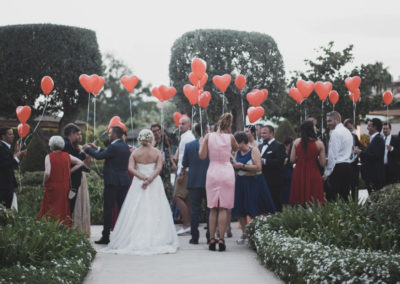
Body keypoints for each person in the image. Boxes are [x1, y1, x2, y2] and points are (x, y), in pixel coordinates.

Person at [102, 129, 179, 255]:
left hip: (138, 182)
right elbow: (159, 168)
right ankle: (156, 236)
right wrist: (150, 179)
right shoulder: (157, 152)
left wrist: (142, 177)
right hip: (154, 183)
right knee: (155, 209)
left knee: (136, 209)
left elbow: (130, 168)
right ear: (151, 138)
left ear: (140, 139)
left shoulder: (135, 153)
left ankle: (133, 236)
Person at [84, 126, 131, 244]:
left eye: (110, 133)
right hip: (123, 181)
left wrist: (87, 149)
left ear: (115, 134)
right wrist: (97, 148)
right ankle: (126, 234)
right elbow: (108, 153)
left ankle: (105, 237)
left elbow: (100, 156)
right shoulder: (124, 146)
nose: (108, 135)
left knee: (108, 210)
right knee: (123, 209)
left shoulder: (114, 146)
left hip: (112, 182)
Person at [199, 113, 239, 251]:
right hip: (227, 172)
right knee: (223, 208)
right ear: (229, 125)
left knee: (213, 207)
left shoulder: (208, 136)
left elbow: (202, 156)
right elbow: (236, 149)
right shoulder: (231, 137)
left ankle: (211, 240)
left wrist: (202, 144)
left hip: (213, 172)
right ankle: (221, 240)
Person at [232, 131, 275, 244]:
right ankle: (245, 233)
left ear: (242, 142)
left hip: (254, 182)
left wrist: (242, 166)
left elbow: (258, 167)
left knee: (255, 207)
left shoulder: (254, 150)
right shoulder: (237, 152)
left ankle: (258, 233)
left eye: (236, 142)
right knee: (240, 209)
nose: (234, 145)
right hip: (241, 182)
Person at [39, 136, 84, 227]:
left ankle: (49, 227)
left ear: (51, 146)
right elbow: (80, 163)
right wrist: (69, 171)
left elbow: (47, 173)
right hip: (64, 186)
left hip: (52, 186)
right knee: (63, 208)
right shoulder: (67, 155)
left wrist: (44, 183)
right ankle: (63, 227)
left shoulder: (49, 157)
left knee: (50, 208)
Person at [182, 123, 210, 245]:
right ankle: (210, 236)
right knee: (210, 209)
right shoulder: (210, 145)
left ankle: (195, 237)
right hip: (209, 180)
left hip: (193, 181)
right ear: (205, 131)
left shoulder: (189, 146)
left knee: (194, 210)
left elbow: (185, 164)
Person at [63, 123, 91, 235]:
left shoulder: (71, 145)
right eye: (77, 134)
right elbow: (72, 161)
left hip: (77, 178)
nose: (80, 136)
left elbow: (85, 164)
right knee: (71, 206)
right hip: (71, 180)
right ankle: (70, 230)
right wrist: (83, 153)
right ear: (71, 134)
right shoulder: (66, 145)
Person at [289, 121, 326, 205]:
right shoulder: (319, 144)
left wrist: (301, 157)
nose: (316, 128)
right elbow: (322, 163)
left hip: (299, 172)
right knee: (314, 199)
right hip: (313, 172)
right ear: (311, 129)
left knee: (298, 199)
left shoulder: (296, 142)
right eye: (314, 126)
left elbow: (291, 160)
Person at [323, 111, 353, 202]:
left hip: (338, 168)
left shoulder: (335, 133)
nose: (328, 124)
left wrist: (327, 173)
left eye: (329, 121)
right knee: (345, 197)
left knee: (332, 198)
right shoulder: (347, 132)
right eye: (327, 121)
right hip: (348, 166)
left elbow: (333, 155)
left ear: (336, 120)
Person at [174, 116, 195, 235]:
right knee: (187, 199)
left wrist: (181, 172)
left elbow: (186, 157)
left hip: (185, 171)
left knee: (177, 196)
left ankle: (187, 225)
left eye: (183, 124)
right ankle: (190, 225)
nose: (180, 126)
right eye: (179, 124)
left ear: (189, 125)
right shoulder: (186, 137)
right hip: (186, 171)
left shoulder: (187, 138)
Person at [354, 118, 385, 194]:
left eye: (369, 126)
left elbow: (375, 156)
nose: (367, 128)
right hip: (370, 175)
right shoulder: (374, 138)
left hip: (374, 175)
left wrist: (360, 153)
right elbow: (370, 153)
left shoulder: (378, 139)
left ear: (375, 127)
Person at [259, 125, 285, 212]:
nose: (262, 135)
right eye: (261, 133)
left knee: (275, 203)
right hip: (262, 180)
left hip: (274, 180)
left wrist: (265, 161)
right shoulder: (260, 146)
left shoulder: (279, 145)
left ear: (271, 133)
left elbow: (280, 161)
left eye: (264, 133)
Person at [0, 127, 27, 208]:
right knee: (6, 210)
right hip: (4, 186)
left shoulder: (5, 147)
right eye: (10, 134)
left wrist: (16, 152)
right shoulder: (1, 148)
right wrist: (18, 158)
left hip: (7, 185)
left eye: (12, 134)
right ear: (3, 136)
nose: (13, 136)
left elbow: (8, 160)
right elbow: (4, 165)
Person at [151, 122, 176, 202]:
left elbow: (169, 153)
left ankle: (169, 204)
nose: (156, 132)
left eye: (157, 130)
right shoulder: (152, 142)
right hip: (156, 168)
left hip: (166, 166)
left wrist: (173, 163)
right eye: (154, 131)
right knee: (158, 187)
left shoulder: (165, 139)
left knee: (167, 187)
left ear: (160, 130)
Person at [344, 119, 363, 201]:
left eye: (351, 129)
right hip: (346, 164)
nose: (350, 130)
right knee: (346, 185)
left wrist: (357, 149)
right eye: (348, 129)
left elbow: (360, 146)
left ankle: (355, 203)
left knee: (355, 185)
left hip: (354, 164)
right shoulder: (342, 137)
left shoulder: (354, 136)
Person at [281, 136, 294, 206]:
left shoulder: (293, 154)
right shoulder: (282, 153)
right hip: (285, 176)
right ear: (286, 145)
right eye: (290, 145)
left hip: (292, 176)